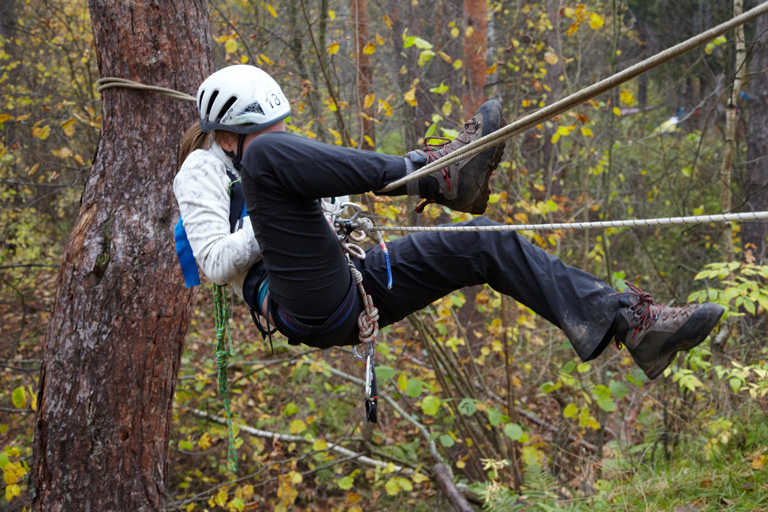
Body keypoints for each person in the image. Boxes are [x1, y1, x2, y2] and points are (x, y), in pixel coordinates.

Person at [174, 65, 724, 381]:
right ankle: (433, 174)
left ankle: (633, 325)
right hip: (299, 302)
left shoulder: (271, 155)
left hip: (353, 279)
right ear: (226, 137)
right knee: (272, 165)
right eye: (266, 131)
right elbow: (216, 262)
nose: (280, 138)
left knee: (484, 244)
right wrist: (287, 214)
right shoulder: (200, 172)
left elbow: (327, 197)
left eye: (281, 128)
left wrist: (325, 205)